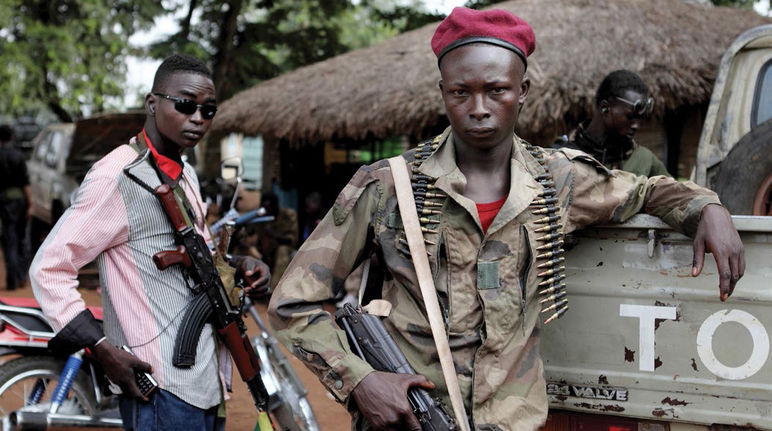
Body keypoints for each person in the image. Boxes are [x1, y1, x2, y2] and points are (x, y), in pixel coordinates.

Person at [268, 7, 744, 431]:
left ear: (523, 91)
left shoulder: (559, 180)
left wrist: (708, 209)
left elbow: (646, 189)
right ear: (442, 93)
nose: (478, 109)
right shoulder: (387, 185)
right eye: (461, 92)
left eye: (496, 90)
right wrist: (361, 381)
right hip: (409, 416)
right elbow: (293, 303)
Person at [30, 54, 270, 431]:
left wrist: (241, 264)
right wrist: (103, 349)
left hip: (205, 382)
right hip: (158, 389)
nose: (197, 118)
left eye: (208, 111)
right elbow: (49, 269)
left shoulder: (185, 172)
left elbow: (200, 253)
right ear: (152, 103)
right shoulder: (117, 176)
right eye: (186, 105)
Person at [553, 69, 671, 177]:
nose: (636, 125)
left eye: (640, 119)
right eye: (630, 117)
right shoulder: (562, 155)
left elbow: (676, 196)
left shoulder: (645, 162)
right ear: (605, 108)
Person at [0, 125, 32, 290]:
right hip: (19, 202)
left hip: (3, 203)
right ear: (11, 137)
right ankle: (21, 277)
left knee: (9, 240)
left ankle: (11, 280)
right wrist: (30, 204)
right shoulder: (18, 156)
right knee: (22, 240)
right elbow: (25, 183)